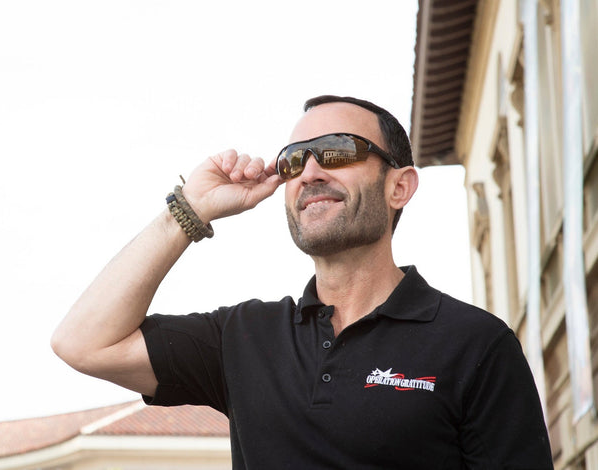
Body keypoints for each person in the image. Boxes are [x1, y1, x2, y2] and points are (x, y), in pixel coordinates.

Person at [51, 95, 553, 468]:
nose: (310, 171)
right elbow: (84, 343)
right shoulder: (244, 338)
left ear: (399, 186)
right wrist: (190, 210)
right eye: (294, 159)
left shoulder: (476, 345)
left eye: (336, 151)